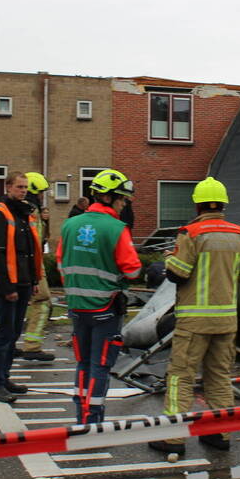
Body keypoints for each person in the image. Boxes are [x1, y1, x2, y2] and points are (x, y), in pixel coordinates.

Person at [149, 177, 240, 456]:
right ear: (223, 204)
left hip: (194, 320)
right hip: (226, 320)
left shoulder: (191, 233)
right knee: (219, 377)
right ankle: (219, 434)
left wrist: (168, 259)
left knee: (181, 377)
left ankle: (173, 438)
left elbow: (178, 273)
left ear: (197, 205)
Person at [58, 168, 141, 424]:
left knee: (83, 364)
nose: (124, 204)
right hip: (106, 308)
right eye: (122, 199)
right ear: (109, 197)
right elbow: (133, 270)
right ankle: (93, 420)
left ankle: (81, 416)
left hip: (77, 307)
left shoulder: (70, 225)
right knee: (100, 365)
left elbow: (61, 263)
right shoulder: (116, 228)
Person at [0, 172, 42, 403]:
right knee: (5, 335)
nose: (23, 191)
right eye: (19, 187)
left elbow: (29, 251)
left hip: (24, 281)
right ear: (8, 187)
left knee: (14, 333)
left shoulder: (23, 213)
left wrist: (34, 280)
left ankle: (4, 378)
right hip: (9, 284)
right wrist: (7, 287)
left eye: (25, 187)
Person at [18, 172, 56, 361]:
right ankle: (32, 346)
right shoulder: (32, 212)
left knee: (17, 304)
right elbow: (36, 242)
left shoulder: (21, 210)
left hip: (22, 265)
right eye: (41, 193)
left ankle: (10, 343)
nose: (42, 197)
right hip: (32, 265)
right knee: (42, 301)